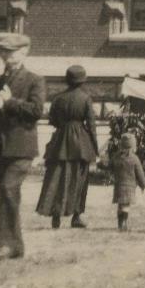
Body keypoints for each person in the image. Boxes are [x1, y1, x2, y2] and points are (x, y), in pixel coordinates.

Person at [0, 33, 46, 260]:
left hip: (21, 147)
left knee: (8, 189)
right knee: (3, 195)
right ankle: (13, 246)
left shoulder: (34, 79)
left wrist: (9, 102)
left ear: (24, 52)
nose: (5, 56)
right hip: (0, 147)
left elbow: (36, 111)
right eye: (3, 52)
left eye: (10, 52)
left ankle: (7, 245)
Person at [37, 64, 99, 230]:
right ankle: (77, 216)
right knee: (80, 180)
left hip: (60, 141)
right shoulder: (86, 98)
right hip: (81, 143)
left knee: (57, 178)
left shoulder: (58, 98)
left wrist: (64, 126)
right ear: (83, 81)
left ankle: (56, 215)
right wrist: (95, 147)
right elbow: (91, 125)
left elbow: (53, 120)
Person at [108, 132, 145, 232]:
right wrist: (143, 185)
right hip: (130, 188)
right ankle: (124, 223)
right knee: (126, 206)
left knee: (120, 205)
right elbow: (140, 173)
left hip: (118, 187)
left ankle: (120, 223)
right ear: (133, 147)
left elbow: (110, 166)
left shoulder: (116, 157)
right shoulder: (135, 159)